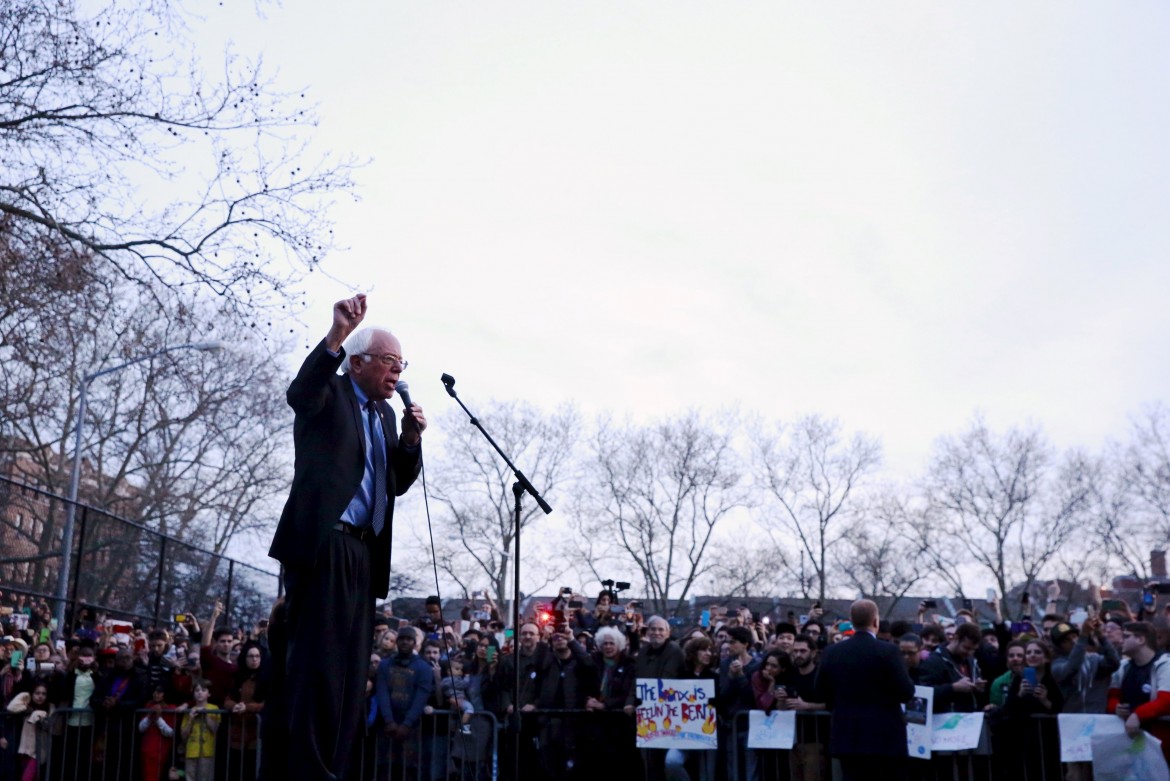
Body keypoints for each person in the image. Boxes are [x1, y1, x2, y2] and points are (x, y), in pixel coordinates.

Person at [269, 294, 425, 781]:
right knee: (318, 668)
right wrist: (336, 334)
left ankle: (336, 769)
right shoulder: (330, 395)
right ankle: (307, 771)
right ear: (358, 362)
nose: (397, 371)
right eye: (389, 361)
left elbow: (394, 484)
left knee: (351, 672)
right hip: (323, 546)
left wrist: (411, 440)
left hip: (364, 550)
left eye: (401, 363)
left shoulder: (382, 417)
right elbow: (301, 392)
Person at [812, 599, 915, 781]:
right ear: (876, 621)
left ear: (851, 621)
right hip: (885, 738)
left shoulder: (832, 652)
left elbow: (819, 692)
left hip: (848, 736)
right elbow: (906, 692)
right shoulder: (888, 651)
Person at [1107, 621, 1170, 763]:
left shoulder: (1165, 664)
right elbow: (1113, 695)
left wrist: (1138, 715)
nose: (1121, 640)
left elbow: (1166, 701)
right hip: (1130, 740)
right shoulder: (1123, 666)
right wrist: (1115, 707)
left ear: (1141, 640)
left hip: (1160, 739)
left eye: (1126, 636)